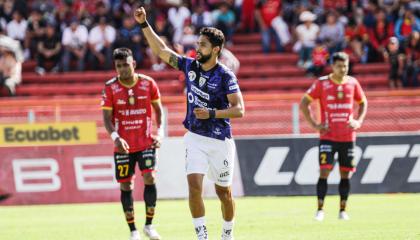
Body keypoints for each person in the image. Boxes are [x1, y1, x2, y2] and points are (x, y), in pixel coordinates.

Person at [134, 7, 245, 240]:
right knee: (194, 187)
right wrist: (144, 24)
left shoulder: (226, 76)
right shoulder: (190, 65)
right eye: (198, 43)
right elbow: (162, 51)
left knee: (223, 192)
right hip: (194, 137)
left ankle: (227, 234)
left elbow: (239, 110)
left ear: (216, 49)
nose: (197, 47)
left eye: (203, 44)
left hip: (220, 140)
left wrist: (213, 113)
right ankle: (202, 236)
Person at [102, 48, 164, 240]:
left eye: (126, 65)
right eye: (118, 66)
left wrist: (159, 133)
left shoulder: (148, 83)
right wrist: (116, 138)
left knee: (150, 179)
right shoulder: (110, 87)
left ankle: (149, 225)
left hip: (146, 143)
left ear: (133, 64)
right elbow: (106, 118)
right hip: (123, 146)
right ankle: (133, 230)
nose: (122, 69)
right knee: (126, 186)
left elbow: (159, 111)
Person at [300, 52, 367, 221]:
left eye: (345, 66)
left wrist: (358, 121)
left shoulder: (353, 83)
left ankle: (342, 210)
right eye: (339, 66)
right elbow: (304, 103)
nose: (343, 69)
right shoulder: (322, 83)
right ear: (332, 66)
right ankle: (320, 209)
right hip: (328, 136)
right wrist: (315, 124)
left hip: (348, 137)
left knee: (346, 174)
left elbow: (363, 102)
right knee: (324, 171)